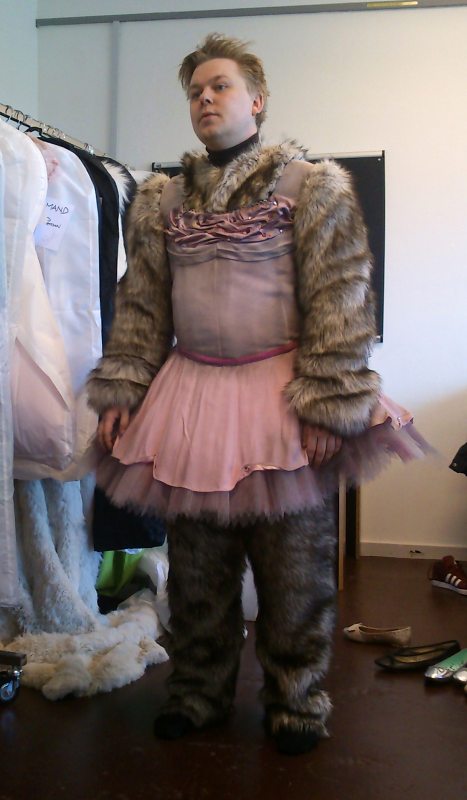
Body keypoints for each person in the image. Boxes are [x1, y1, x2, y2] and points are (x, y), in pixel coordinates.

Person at [87, 33, 426, 755]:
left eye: (220, 86)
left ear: (257, 100)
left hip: (283, 400)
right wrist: (123, 387)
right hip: (191, 400)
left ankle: (297, 701)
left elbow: (341, 297)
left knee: (293, 567)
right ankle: (197, 692)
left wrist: (329, 400)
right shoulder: (158, 200)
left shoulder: (312, 186)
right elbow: (142, 304)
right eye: (195, 91)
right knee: (196, 568)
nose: (205, 99)